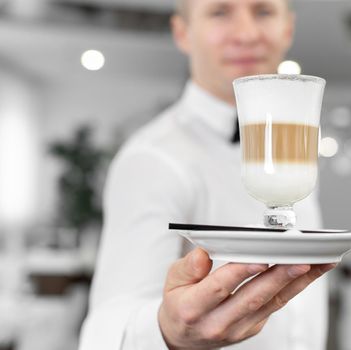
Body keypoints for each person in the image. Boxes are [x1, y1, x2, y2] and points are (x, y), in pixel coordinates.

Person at [79, 0, 334, 348]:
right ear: (182, 32)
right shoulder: (151, 158)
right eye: (219, 12)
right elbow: (105, 331)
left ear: (287, 28)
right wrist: (167, 330)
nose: (246, 34)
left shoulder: (293, 147)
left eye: (263, 11)